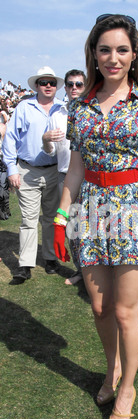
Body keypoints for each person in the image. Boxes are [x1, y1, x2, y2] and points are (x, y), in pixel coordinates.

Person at [53, 14, 138, 419]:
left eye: (122, 49)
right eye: (105, 49)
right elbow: (74, 170)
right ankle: (111, 371)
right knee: (99, 308)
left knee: (128, 313)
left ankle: (127, 388)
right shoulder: (79, 106)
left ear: (134, 54)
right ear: (94, 53)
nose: (113, 57)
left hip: (131, 210)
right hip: (88, 211)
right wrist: (60, 217)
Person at [2, 66, 64, 283]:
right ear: (36, 85)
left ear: (56, 86)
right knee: (29, 219)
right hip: (27, 170)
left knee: (50, 217)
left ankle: (49, 258)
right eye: (44, 82)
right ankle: (25, 264)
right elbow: (10, 139)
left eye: (52, 82)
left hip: (54, 171)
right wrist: (11, 169)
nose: (48, 86)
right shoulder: (24, 107)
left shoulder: (62, 108)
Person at [42, 69, 86, 286]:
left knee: (92, 225)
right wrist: (45, 139)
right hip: (64, 175)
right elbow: (50, 151)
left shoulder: (92, 110)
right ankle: (81, 270)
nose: (74, 88)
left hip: (90, 177)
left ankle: (96, 272)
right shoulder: (57, 114)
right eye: (70, 85)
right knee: (71, 227)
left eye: (79, 84)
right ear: (65, 87)